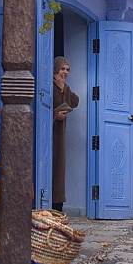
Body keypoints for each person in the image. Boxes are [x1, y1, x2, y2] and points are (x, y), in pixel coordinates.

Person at [52, 56, 79, 211]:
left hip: (59, 135)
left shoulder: (63, 87)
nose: (65, 72)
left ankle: (57, 207)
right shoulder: (49, 86)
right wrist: (56, 116)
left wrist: (63, 88)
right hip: (49, 133)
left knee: (59, 168)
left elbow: (75, 101)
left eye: (68, 70)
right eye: (62, 69)